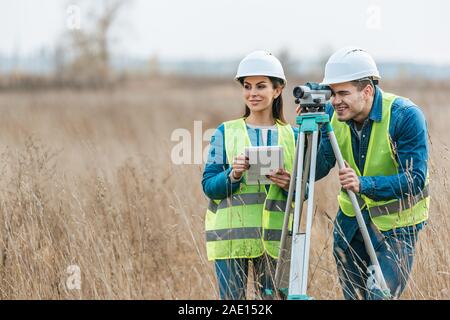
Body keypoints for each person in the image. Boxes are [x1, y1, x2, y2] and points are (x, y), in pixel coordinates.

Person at [296, 46, 430, 300]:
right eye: (332, 93)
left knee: (379, 296)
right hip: (351, 224)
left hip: (397, 229)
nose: (335, 101)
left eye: (343, 93)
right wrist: (306, 135)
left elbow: (415, 179)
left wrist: (364, 184)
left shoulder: (405, 116)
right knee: (355, 297)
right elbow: (321, 165)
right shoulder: (332, 114)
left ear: (367, 90)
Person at [202, 51, 298, 300]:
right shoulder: (226, 131)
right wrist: (233, 175)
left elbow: (304, 190)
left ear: (277, 90)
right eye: (247, 86)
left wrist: (290, 184)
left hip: (275, 240)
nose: (252, 93)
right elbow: (209, 186)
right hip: (231, 239)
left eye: (261, 86)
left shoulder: (294, 135)